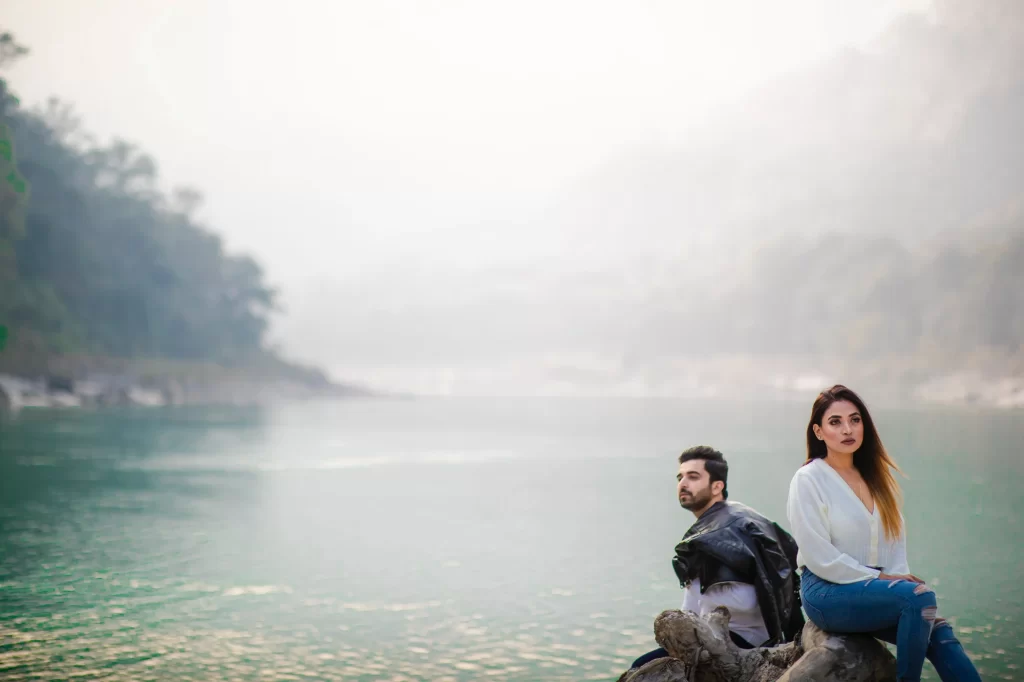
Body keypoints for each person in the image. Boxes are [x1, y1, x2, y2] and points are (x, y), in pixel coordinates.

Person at [787, 384, 981, 682]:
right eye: (835, 422)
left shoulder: (875, 479)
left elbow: (894, 547)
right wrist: (883, 580)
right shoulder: (809, 479)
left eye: (855, 419)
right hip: (825, 591)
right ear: (818, 431)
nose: (847, 429)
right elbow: (817, 555)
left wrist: (895, 581)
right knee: (920, 597)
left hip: (872, 591)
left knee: (937, 629)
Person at [629, 445, 804, 671]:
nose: (683, 483)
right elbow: (693, 601)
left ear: (717, 486)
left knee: (642, 669)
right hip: (719, 635)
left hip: (743, 641)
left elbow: (754, 599)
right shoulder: (725, 522)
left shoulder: (726, 529)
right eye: (680, 477)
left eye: (693, 477)